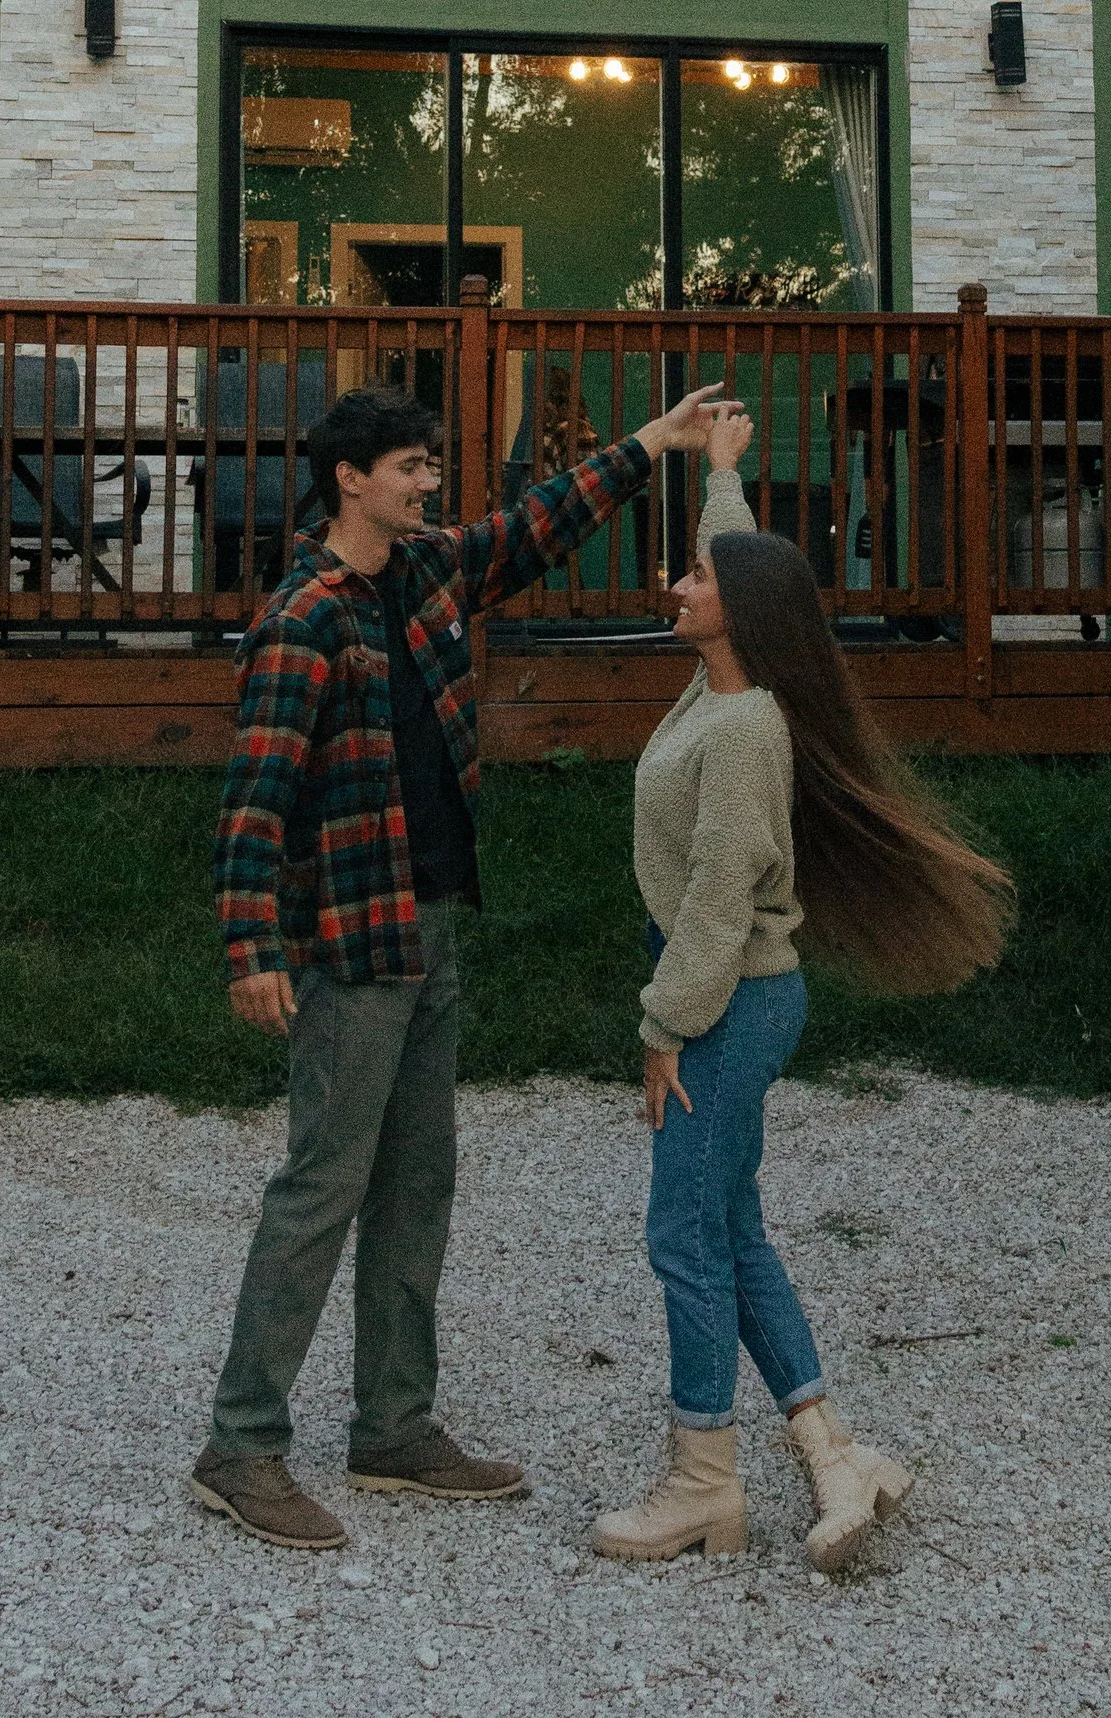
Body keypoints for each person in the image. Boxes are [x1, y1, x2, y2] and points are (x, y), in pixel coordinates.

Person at [194, 369, 739, 1553]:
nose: (430, 483)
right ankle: (241, 1444)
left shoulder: (428, 570)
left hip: (429, 926)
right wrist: (252, 945)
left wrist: (659, 436)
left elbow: (541, 523)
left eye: (431, 467)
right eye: (412, 468)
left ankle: (393, 1426)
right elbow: (254, 799)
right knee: (320, 1190)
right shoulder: (304, 616)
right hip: (350, 937)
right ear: (352, 479)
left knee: (419, 1185)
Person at [591, 411, 1013, 1575]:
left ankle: (699, 1484)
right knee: (731, 1230)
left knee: (681, 1235)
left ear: (736, 612)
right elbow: (745, 568)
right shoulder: (726, 681)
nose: (676, 585)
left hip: (725, 1000)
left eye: (693, 577)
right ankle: (835, 1455)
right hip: (737, 996)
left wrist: (663, 1027)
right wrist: (720, 479)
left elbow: (719, 907)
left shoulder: (739, 730)